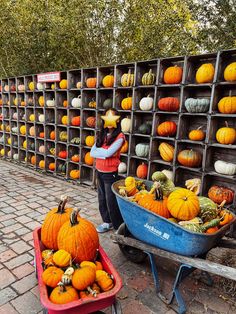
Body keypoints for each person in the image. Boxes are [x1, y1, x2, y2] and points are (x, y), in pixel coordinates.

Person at [90, 108, 125, 233]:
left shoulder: (120, 137)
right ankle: (107, 222)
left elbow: (109, 153)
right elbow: (92, 152)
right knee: (102, 199)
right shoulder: (101, 135)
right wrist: (103, 153)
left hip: (110, 174)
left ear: (117, 120)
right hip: (99, 171)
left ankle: (118, 226)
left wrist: (103, 153)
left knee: (111, 202)